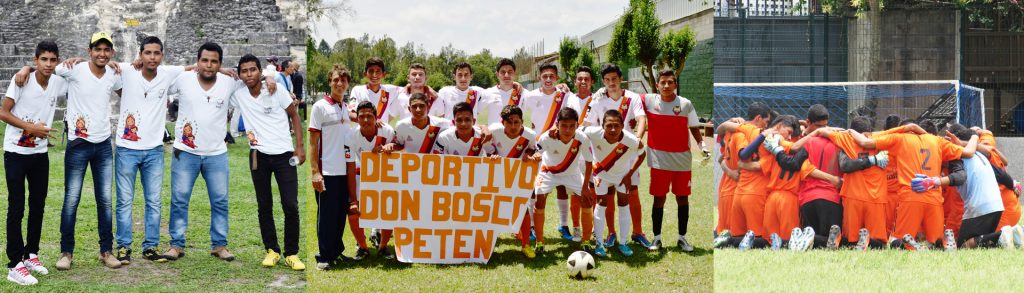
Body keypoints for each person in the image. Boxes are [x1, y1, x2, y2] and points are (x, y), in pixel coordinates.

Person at [37, 32, 124, 270]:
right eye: (98, 49)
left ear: (112, 53)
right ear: (89, 51)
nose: (102, 54)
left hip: (104, 144)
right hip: (78, 144)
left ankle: (106, 251)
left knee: (105, 201)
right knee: (71, 200)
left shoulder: (113, 75)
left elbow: (127, 89)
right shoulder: (74, 69)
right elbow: (45, 69)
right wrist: (25, 70)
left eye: (107, 50)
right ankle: (66, 252)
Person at [110, 36, 189, 264]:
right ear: (140, 55)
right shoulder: (126, 70)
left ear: (162, 55)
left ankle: (151, 246)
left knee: (153, 201)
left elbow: (196, 67)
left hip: (154, 150)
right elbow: (98, 62)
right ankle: (123, 247)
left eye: (156, 53)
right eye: (148, 53)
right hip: (127, 149)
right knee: (125, 201)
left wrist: (224, 69)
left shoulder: (168, 73)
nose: (152, 57)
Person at [846, 120, 978, 249]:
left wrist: (850, 131)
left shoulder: (900, 138)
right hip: (934, 199)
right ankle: (942, 241)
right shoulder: (937, 141)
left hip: (910, 197)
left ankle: (914, 245)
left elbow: (865, 141)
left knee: (897, 243)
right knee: (937, 243)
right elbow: (969, 152)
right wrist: (974, 136)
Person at [162, 42, 238, 262]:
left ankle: (219, 245)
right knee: (179, 199)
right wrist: (185, 68)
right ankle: (176, 245)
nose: (209, 65)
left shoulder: (228, 82)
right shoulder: (184, 79)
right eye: (205, 60)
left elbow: (253, 81)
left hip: (216, 153)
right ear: (197, 61)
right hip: (185, 152)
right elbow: (159, 78)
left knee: (220, 200)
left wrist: (269, 79)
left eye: (214, 61)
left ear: (220, 64)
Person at [0, 41, 67, 285]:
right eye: (44, 60)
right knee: (16, 207)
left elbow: (83, 74)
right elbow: (3, 113)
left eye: (53, 60)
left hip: (40, 154)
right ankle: (14, 264)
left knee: (38, 204)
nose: (48, 64)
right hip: (15, 152)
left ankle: (31, 254)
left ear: (57, 61)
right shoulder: (21, 80)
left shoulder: (59, 82)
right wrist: (30, 128)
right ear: (36, 59)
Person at [232, 54, 305, 270]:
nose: (248, 74)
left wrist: (299, 147)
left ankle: (292, 253)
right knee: (264, 205)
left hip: (284, 155)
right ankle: (272, 250)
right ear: (240, 74)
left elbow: (294, 116)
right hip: (258, 156)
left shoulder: (275, 89)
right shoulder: (239, 94)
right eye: (244, 71)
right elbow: (218, 75)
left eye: (253, 70)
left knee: (290, 204)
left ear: (260, 71)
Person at [586, 64, 651, 248]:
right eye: (607, 80)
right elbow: (588, 124)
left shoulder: (632, 98)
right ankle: (611, 233)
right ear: (603, 81)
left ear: (620, 78)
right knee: (606, 195)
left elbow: (641, 119)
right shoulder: (597, 99)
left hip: (626, 155)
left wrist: (636, 140)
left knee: (632, 192)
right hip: (604, 156)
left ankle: (638, 232)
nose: (611, 83)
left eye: (614, 79)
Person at [642, 69, 707, 251]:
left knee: (682, 199)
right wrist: (600, 92)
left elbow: (694, 127)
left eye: (670, 82)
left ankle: (682, 238)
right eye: (663, 82)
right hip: (658, 161)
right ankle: (657, 239)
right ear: (657, 85)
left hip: (682, 161)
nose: (666, 86)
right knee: (658, 199)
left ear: (675, 85)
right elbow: (626, 97)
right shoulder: (649, 101)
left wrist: (702, 145)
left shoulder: (685, 104)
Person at [386, 92, 452, 258]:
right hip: (410, 175)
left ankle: (432, 243)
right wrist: (390, 147)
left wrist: (484, 127)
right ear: (408, 108)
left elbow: (465, 126)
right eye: (414, 106)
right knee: (410, 211)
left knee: (433, 211)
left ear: (428, 107)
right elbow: (398, 144)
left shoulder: (443, 124)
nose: (418, 109)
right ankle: (408, 244)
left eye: (421, 106)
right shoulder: (401, 126)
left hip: (436, 175)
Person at [521, 63, 577, 242]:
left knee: (562, 186)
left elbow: (573, 113)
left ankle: (563, 224)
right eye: (544, 76)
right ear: (539, 77)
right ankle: (530, 227)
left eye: (552, 76)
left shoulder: (565, 95)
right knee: (533, 188)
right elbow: (518, 113)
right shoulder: (530, 96)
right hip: (537, 146)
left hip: (559, 146)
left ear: (557, 78)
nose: (548, 79)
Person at [309, 64, 356, 269]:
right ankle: (324, 256)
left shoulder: (344, 107)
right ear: (330, 82)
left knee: (339, 215)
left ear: (347, 84)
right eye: (336, 79)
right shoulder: (320, 106)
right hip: (326, 171)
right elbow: (313, 141)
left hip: (343, 170)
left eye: (343, 80)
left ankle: (336, 251)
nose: (339, 83)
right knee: (326, 217)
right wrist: (315, 172)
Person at [532, 108, 595, 255]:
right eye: (564, 126)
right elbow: (537, 152)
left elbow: (588, 162)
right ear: (557, 124)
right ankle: (539, 242)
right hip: (548, 172)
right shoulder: (547, 137)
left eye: (572, 126)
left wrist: (585, 187)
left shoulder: (582, 138)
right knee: (539, 201)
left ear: (577, 126)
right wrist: (535, 156)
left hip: (571, 173)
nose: (567, 130)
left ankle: (586, 241)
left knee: (586, 200)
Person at [584, 110, 641, 257]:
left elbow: (642, 154)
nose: (613, 129)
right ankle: (599, 244)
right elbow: (579, 131)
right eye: (609, 125)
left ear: (623, 125)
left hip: (622, 176)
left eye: (617, 125)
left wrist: (629, 174)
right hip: (601, 174)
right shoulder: (593, 132)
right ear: (602, 125)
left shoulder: (631, 139)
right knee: (601, 204)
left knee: (623, 203)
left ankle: (623, 242)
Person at [484, 104, 538, 258]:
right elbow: (481, 133)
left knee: (523, 210)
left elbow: (532, 148)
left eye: (517, 122)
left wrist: (529, 153)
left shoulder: (529, 134)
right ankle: (488, 244)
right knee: (490, 209)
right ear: (503, 123)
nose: (513, 126)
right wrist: (490, 155)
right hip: (496, 176)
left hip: (517, 176)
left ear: (522, 122)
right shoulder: (494, 130)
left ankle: (526, 244)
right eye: (509, 122)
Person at [350, 57, 402, 123]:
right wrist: (370, 121)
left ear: (384, 74)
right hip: (362, 132)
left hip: (383, 133)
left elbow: (408, 89)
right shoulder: (357, 90)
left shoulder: (390, 90)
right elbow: (351, 114)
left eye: (378, 71)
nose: (374, 75)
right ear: (365, 74)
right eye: (371, 71)